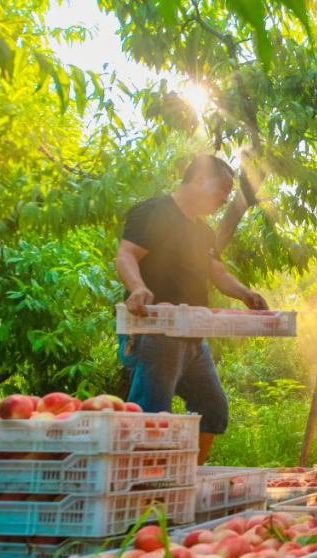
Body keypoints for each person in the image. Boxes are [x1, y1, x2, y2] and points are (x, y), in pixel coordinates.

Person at [115, 154, 268, 464]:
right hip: (157, 331)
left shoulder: (204, 233)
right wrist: (138, 288)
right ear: (199, 178)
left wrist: (246, 295)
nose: (226, 198)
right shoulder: (154, 212)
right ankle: (139, 490)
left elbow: (220, 275)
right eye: (223, 188)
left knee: (213, 410)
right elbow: (126, 255)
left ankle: (187, 477)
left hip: (194, 337)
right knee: (152, 417)